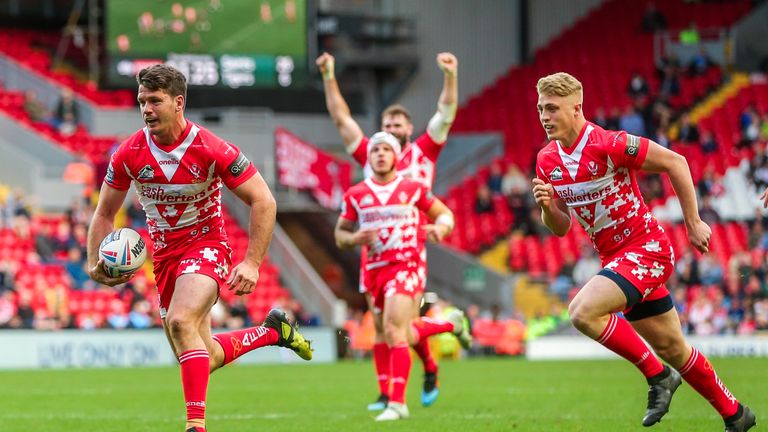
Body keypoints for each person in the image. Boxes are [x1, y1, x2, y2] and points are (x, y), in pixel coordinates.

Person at [86, 64, 312, 432]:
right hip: (164, 258)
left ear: (178, 103)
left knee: (180, 321)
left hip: (206, 245)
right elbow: (104, 214)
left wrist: (252, 263)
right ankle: (273, 332)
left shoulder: (210, 148)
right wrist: (95, 260)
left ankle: (196, 426)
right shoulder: (128, 153)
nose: (146, 109)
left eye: (155, 101)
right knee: (199, 357)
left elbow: (264, 200)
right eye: (142, 101)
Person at [531, 72, 755, 431]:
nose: (544, 116)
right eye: (541, 108)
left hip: (646, 249)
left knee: (582, 312)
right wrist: (547, 208)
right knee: (673, 348)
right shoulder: (546, 161)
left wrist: (693, 222)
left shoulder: (609, 143)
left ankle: (657, 377)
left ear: (577, 108)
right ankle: (736, 414)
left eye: (553, 108)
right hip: (617, 262)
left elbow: (676, 162)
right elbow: (561, 228)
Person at [317, 51, 462, 409]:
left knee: (402, 325)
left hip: (412, 244)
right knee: (385, 327)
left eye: (399, 126)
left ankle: (423, 371)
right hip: (374, 250)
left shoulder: (425, 152)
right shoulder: (371, 153)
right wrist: (329, 75)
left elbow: (445, 112)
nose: (393, 132)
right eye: (387, 125)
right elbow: (341, 118)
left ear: (408, 131)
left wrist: (450, 75)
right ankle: (389, 391)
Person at [334, 131, 470, 421]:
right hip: (373, 270)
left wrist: (441, 229)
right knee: (399, 332)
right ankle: (449, 324)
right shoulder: (356, 194)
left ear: (396, 156)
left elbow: (445, 215)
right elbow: (339, 236)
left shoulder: (414, 188)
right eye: (375, 150)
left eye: (386, 149)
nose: (380, 154)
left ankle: (397, 403)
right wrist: (356, 236)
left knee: (395, 330)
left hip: (407, 265)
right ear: (368, 158)